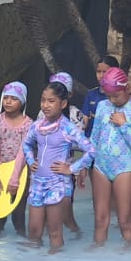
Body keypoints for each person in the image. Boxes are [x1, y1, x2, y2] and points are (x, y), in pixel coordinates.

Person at [14, 80, 95, 253]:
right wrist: (31, 161)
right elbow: (26, 144)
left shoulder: (68, 128)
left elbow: (91, 150)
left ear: (63, 103)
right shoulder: (37, 126)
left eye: (51, 101)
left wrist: (71, 169)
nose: (45, 105)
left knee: (54, 231)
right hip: (37, 182)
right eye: (43, 100)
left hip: (57, 183)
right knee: (34, 231)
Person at [86, 67, 131, 246]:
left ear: (127, 88)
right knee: (100, 219)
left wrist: (123, 124)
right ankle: (98, 249)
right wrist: (85, 164)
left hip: (124, 169)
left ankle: (128, 252)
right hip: (101, 166)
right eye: (108, 96)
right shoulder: (102, 106)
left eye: (116, 96)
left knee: (124, 220)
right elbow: (94, 138)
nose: (112, 100)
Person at [0, 81, 32, 237]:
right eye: (6, 97)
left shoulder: (28, 125)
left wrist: (15, 179)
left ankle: (21, 242)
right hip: (0, 171)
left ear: (22, 101)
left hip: (21, 173)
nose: (8, 101)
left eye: (14, 98)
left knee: (19, 214)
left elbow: (23, 153)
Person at [49, 72, 86, 238]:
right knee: (46, 210)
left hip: (66, 168)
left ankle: (76, 234)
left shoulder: (75, 115)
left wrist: (81, 169)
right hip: (47, 168)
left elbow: (82, 145)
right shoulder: (44, 113)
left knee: (65, 212)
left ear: (69, 95)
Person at [82, 55, 120, 136]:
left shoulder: (119, 97)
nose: (101, 76)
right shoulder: (91, 94)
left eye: (105, 72)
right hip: (90, 139)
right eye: (99, 72)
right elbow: (84, 120)